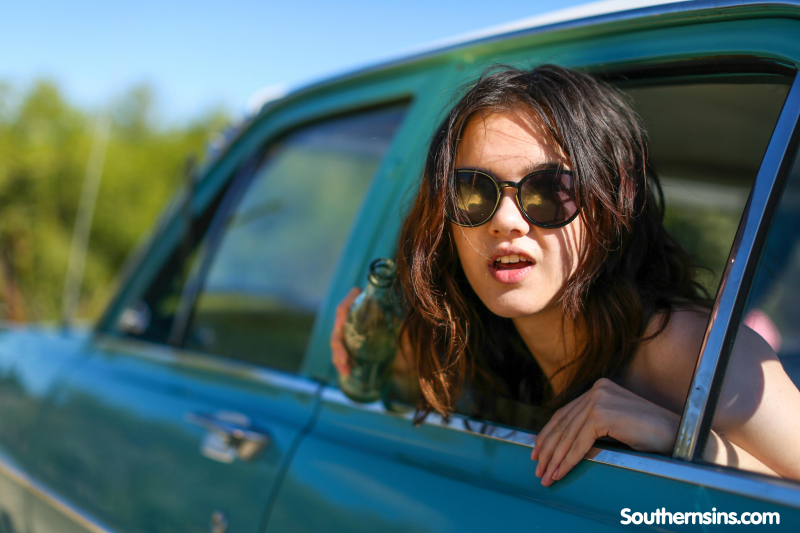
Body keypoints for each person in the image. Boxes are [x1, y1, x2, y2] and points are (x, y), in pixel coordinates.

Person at [330, 65, 800, 486]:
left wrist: (678, 439)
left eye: (549, 190)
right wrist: (363, 356)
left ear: (613, 206)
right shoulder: (468, 338)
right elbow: (383, 377)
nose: (507, 221)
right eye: (473, 191)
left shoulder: (683, 348)